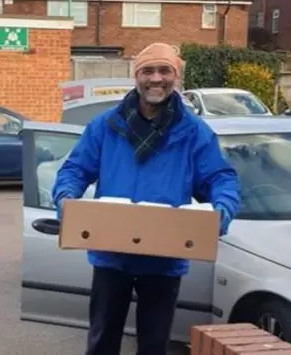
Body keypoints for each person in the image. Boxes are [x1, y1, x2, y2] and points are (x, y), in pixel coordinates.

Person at [52, 43, 240, 355]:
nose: (156, 78)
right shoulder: (106, 126)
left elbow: (220, 178)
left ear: (176, 77)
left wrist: (222, 210)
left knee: (154, 345)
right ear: (135, 77)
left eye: (164, 70)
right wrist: (66, 199)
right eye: (147, 71)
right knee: (101, 342)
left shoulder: (194, 132)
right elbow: (74, 169)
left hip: (164, 257)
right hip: (111, 253)